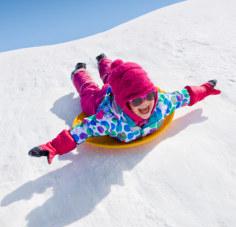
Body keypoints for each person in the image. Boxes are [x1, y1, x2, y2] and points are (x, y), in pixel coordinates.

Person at [28, 54, 221, 164]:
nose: (145, 104)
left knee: (113, 76)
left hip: (118, 90)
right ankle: (79, 72)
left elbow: (184, 96)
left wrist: (205, 88)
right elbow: (82, 131)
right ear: (124, 103)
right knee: (88, 91)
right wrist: (54, 146)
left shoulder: (161, 103)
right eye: (136, 102)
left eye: (148, 96)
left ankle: (104, 61)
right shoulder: (110, 120)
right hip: (101, 100)